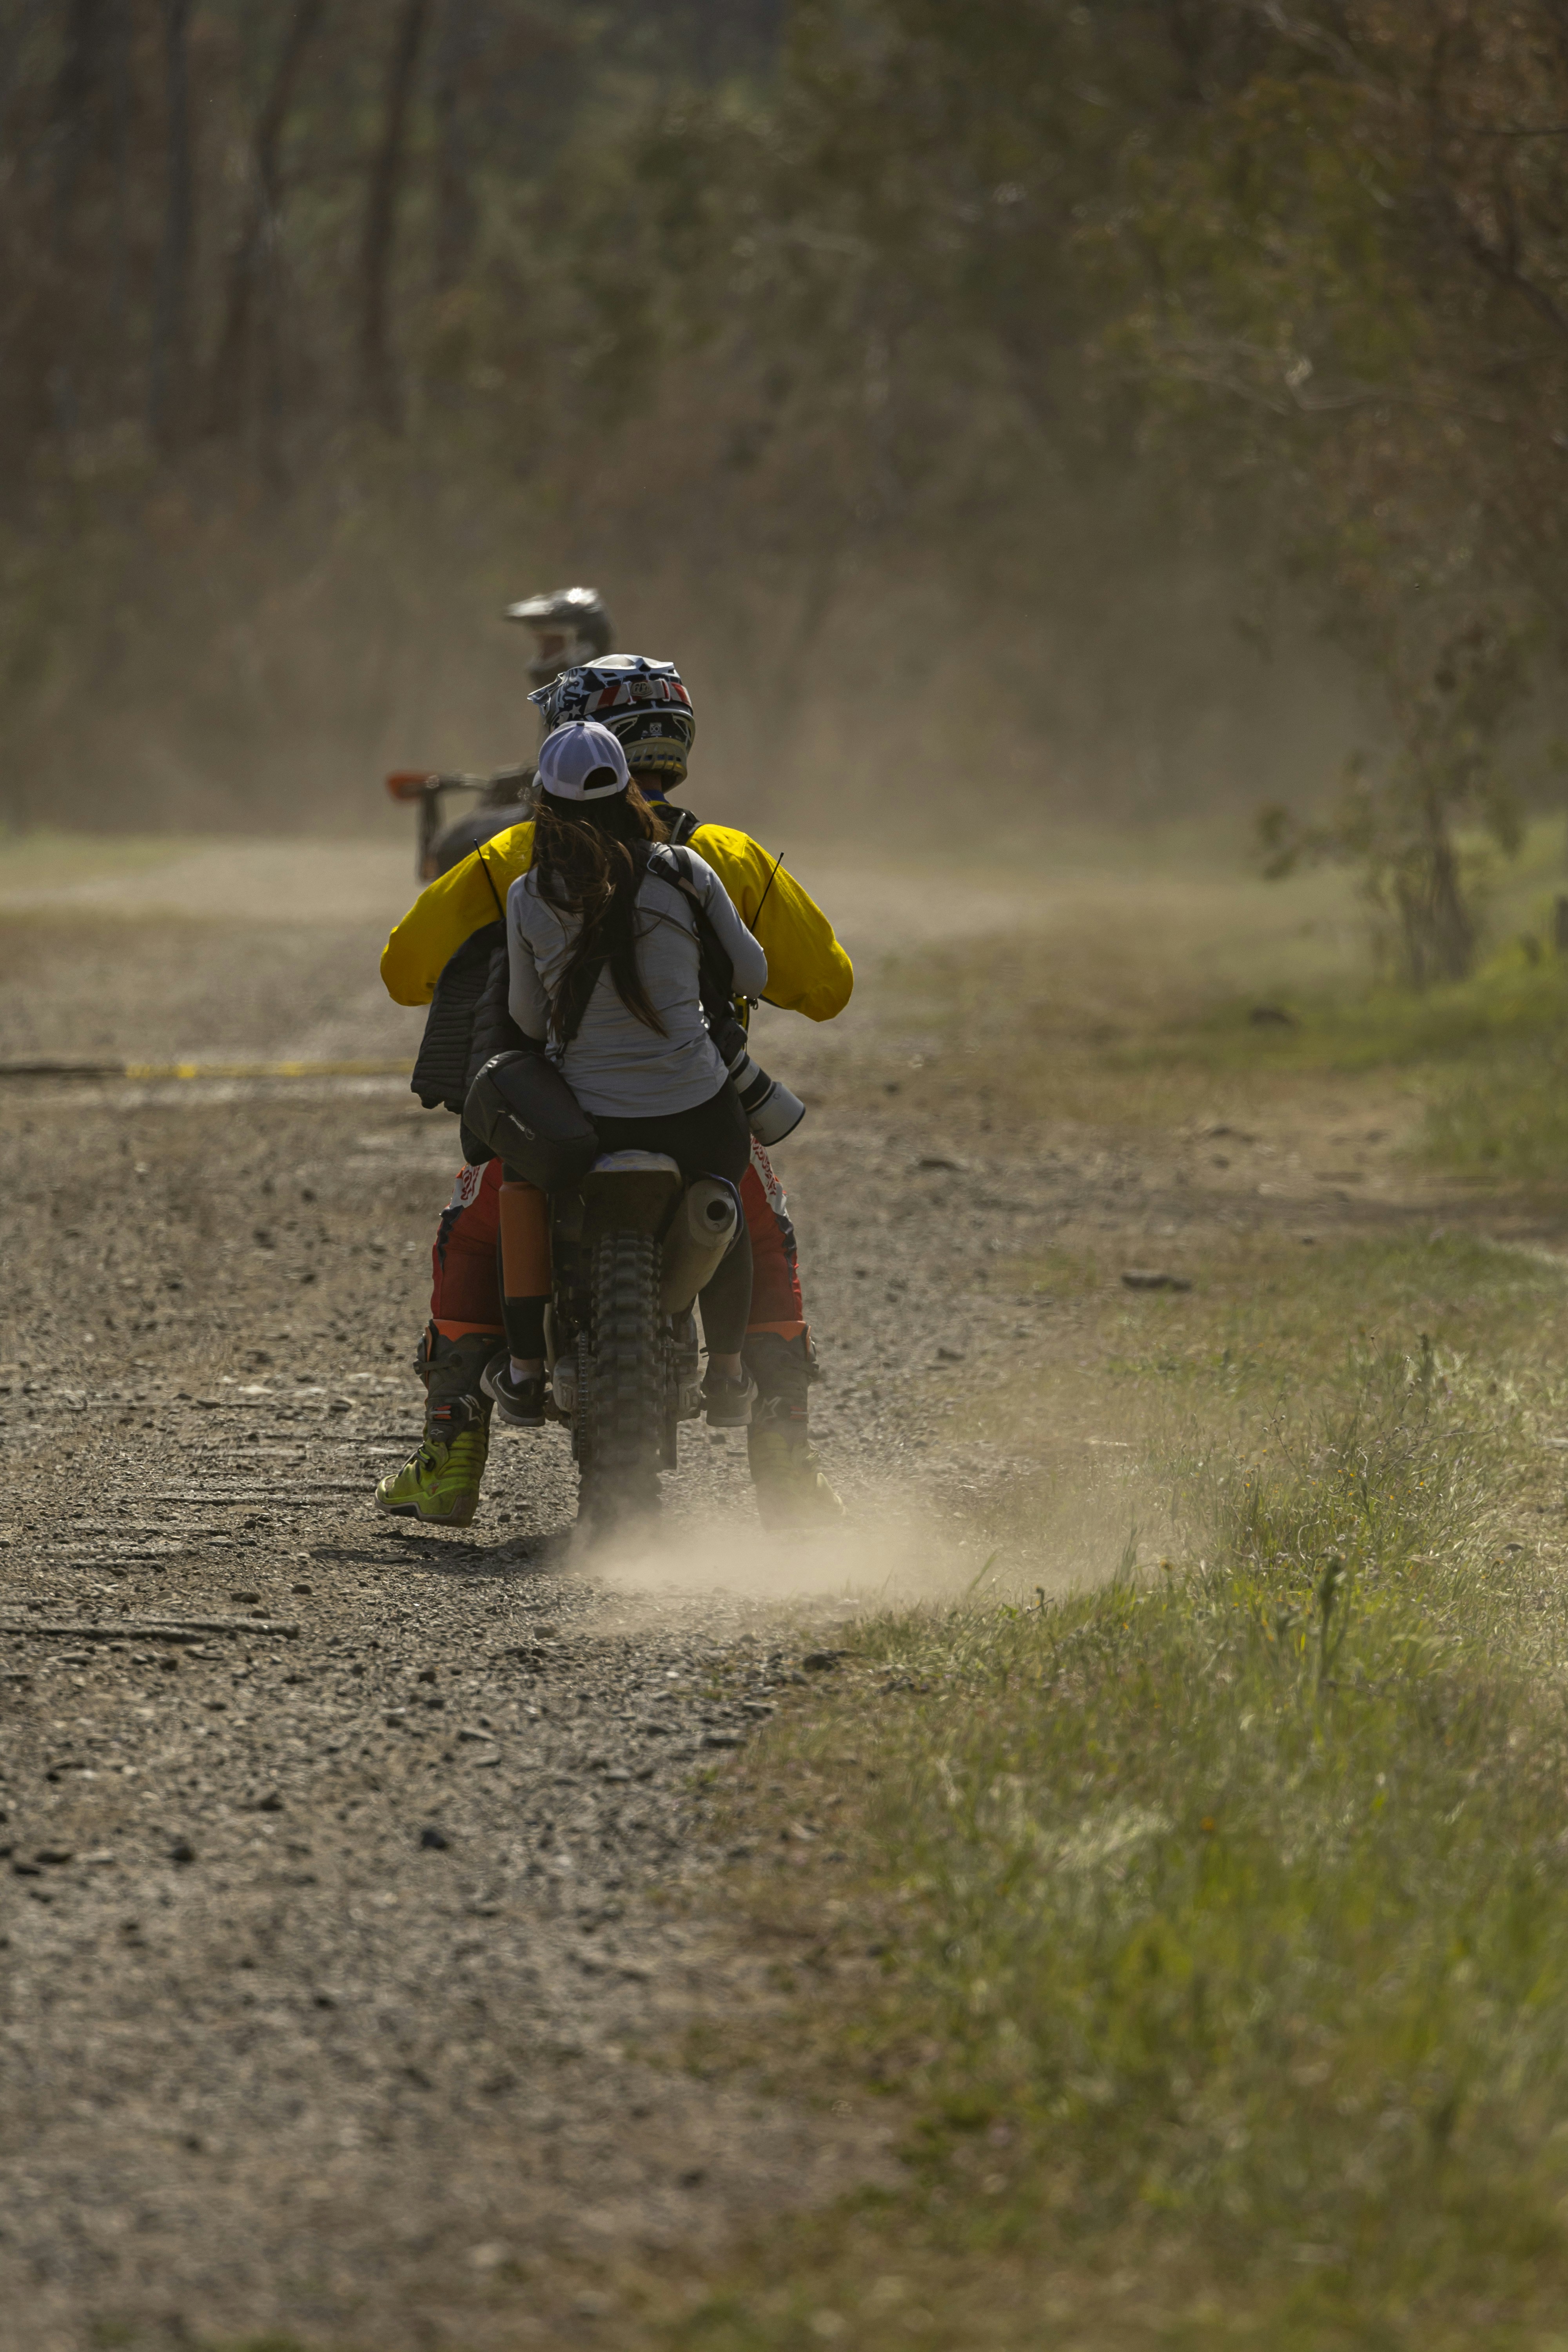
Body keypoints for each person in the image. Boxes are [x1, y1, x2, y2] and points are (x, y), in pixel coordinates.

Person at [375, 655, 852, 1532]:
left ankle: (452, 1451)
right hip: (695, 1103)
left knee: (475, 1226)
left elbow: (405, 971)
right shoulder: (722, 859)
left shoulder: (517, 861)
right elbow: (826, 988)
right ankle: (784, 1465)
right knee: (763, 1230)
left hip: (562, 1112)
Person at [486, 717, 765, 1427]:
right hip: (696, 1112)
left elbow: (523, 1015)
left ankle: (522, 1370)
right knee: (726, 1196)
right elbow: (753, 970)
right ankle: (730, 1377)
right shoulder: (683, 869)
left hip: (583, 1122)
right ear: (630, 791)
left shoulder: (528, 894)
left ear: (543, 803)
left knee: (517, 1183)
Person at [424, 587, 615, 876]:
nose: (543, 654)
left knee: (456, 845)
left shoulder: (597, 699)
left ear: (583, 646)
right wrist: (523, 776)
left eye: (553, 643)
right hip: (562, 820)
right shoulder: (570, 699)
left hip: (574, 828)